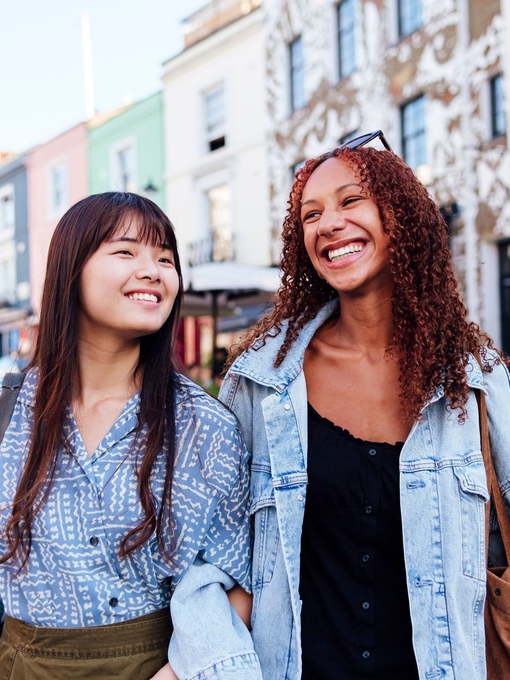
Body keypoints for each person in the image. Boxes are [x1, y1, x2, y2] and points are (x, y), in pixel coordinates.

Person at [219, 132, 510, 679]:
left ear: (401, 217)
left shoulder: (476, 381)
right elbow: (224, 555)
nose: (328, 224)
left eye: (351, 201)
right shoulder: (261, 383)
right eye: (310, 215)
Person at [0, 192, 260, 680]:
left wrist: (176, 673)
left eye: (165, 258)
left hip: (155, 665)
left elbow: (240, 580)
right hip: (21, 662)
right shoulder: (12, 410)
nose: (153, 270)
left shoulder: (203, 424)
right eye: (126, 252)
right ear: (69, 270)